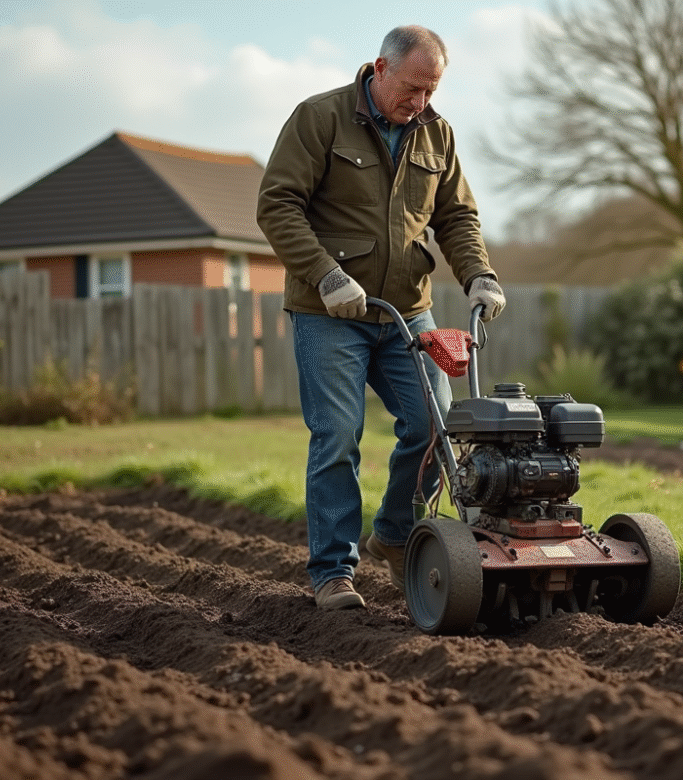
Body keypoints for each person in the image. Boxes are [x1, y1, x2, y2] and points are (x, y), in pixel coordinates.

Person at [257, 25, 505, 610]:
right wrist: (325, 274)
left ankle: (395, 534)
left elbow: (457, 217)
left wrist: (480, 275)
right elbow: (277, 204)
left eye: (431, 90)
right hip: (330, 311)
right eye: (412, 88)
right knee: (339, 434)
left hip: (406, 312)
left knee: (435, 426)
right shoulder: (320, 118)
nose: (420, 103)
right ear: (380, 68)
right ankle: (333, 573)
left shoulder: (436, 134)